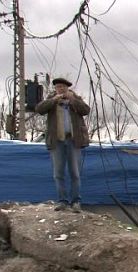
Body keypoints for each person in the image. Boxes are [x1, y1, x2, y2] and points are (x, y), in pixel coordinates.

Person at [35, 77, 90, 211]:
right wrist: (53, 100)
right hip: (57, 141)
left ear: (67, 88)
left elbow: (86, 110)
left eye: (63, 87)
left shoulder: (75, 99)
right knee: (58, 173)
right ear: (55, 89)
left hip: (73, 140)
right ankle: (62, 201)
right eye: (58, 87)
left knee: (75, 173)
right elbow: (39, 109)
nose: (61, 89)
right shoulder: (52, 100)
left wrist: (73, 100)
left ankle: (76, 201)